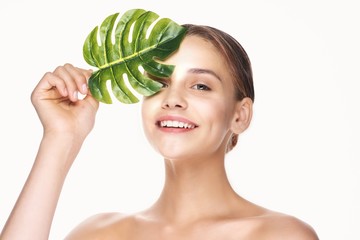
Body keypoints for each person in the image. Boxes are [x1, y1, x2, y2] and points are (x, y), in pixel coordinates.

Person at [0, 24, 319, 239]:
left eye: (200, 85)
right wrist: (61, 138)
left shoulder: (279, 234)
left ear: (240, 115)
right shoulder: (99, 233)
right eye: (159, 83)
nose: (173, 99)